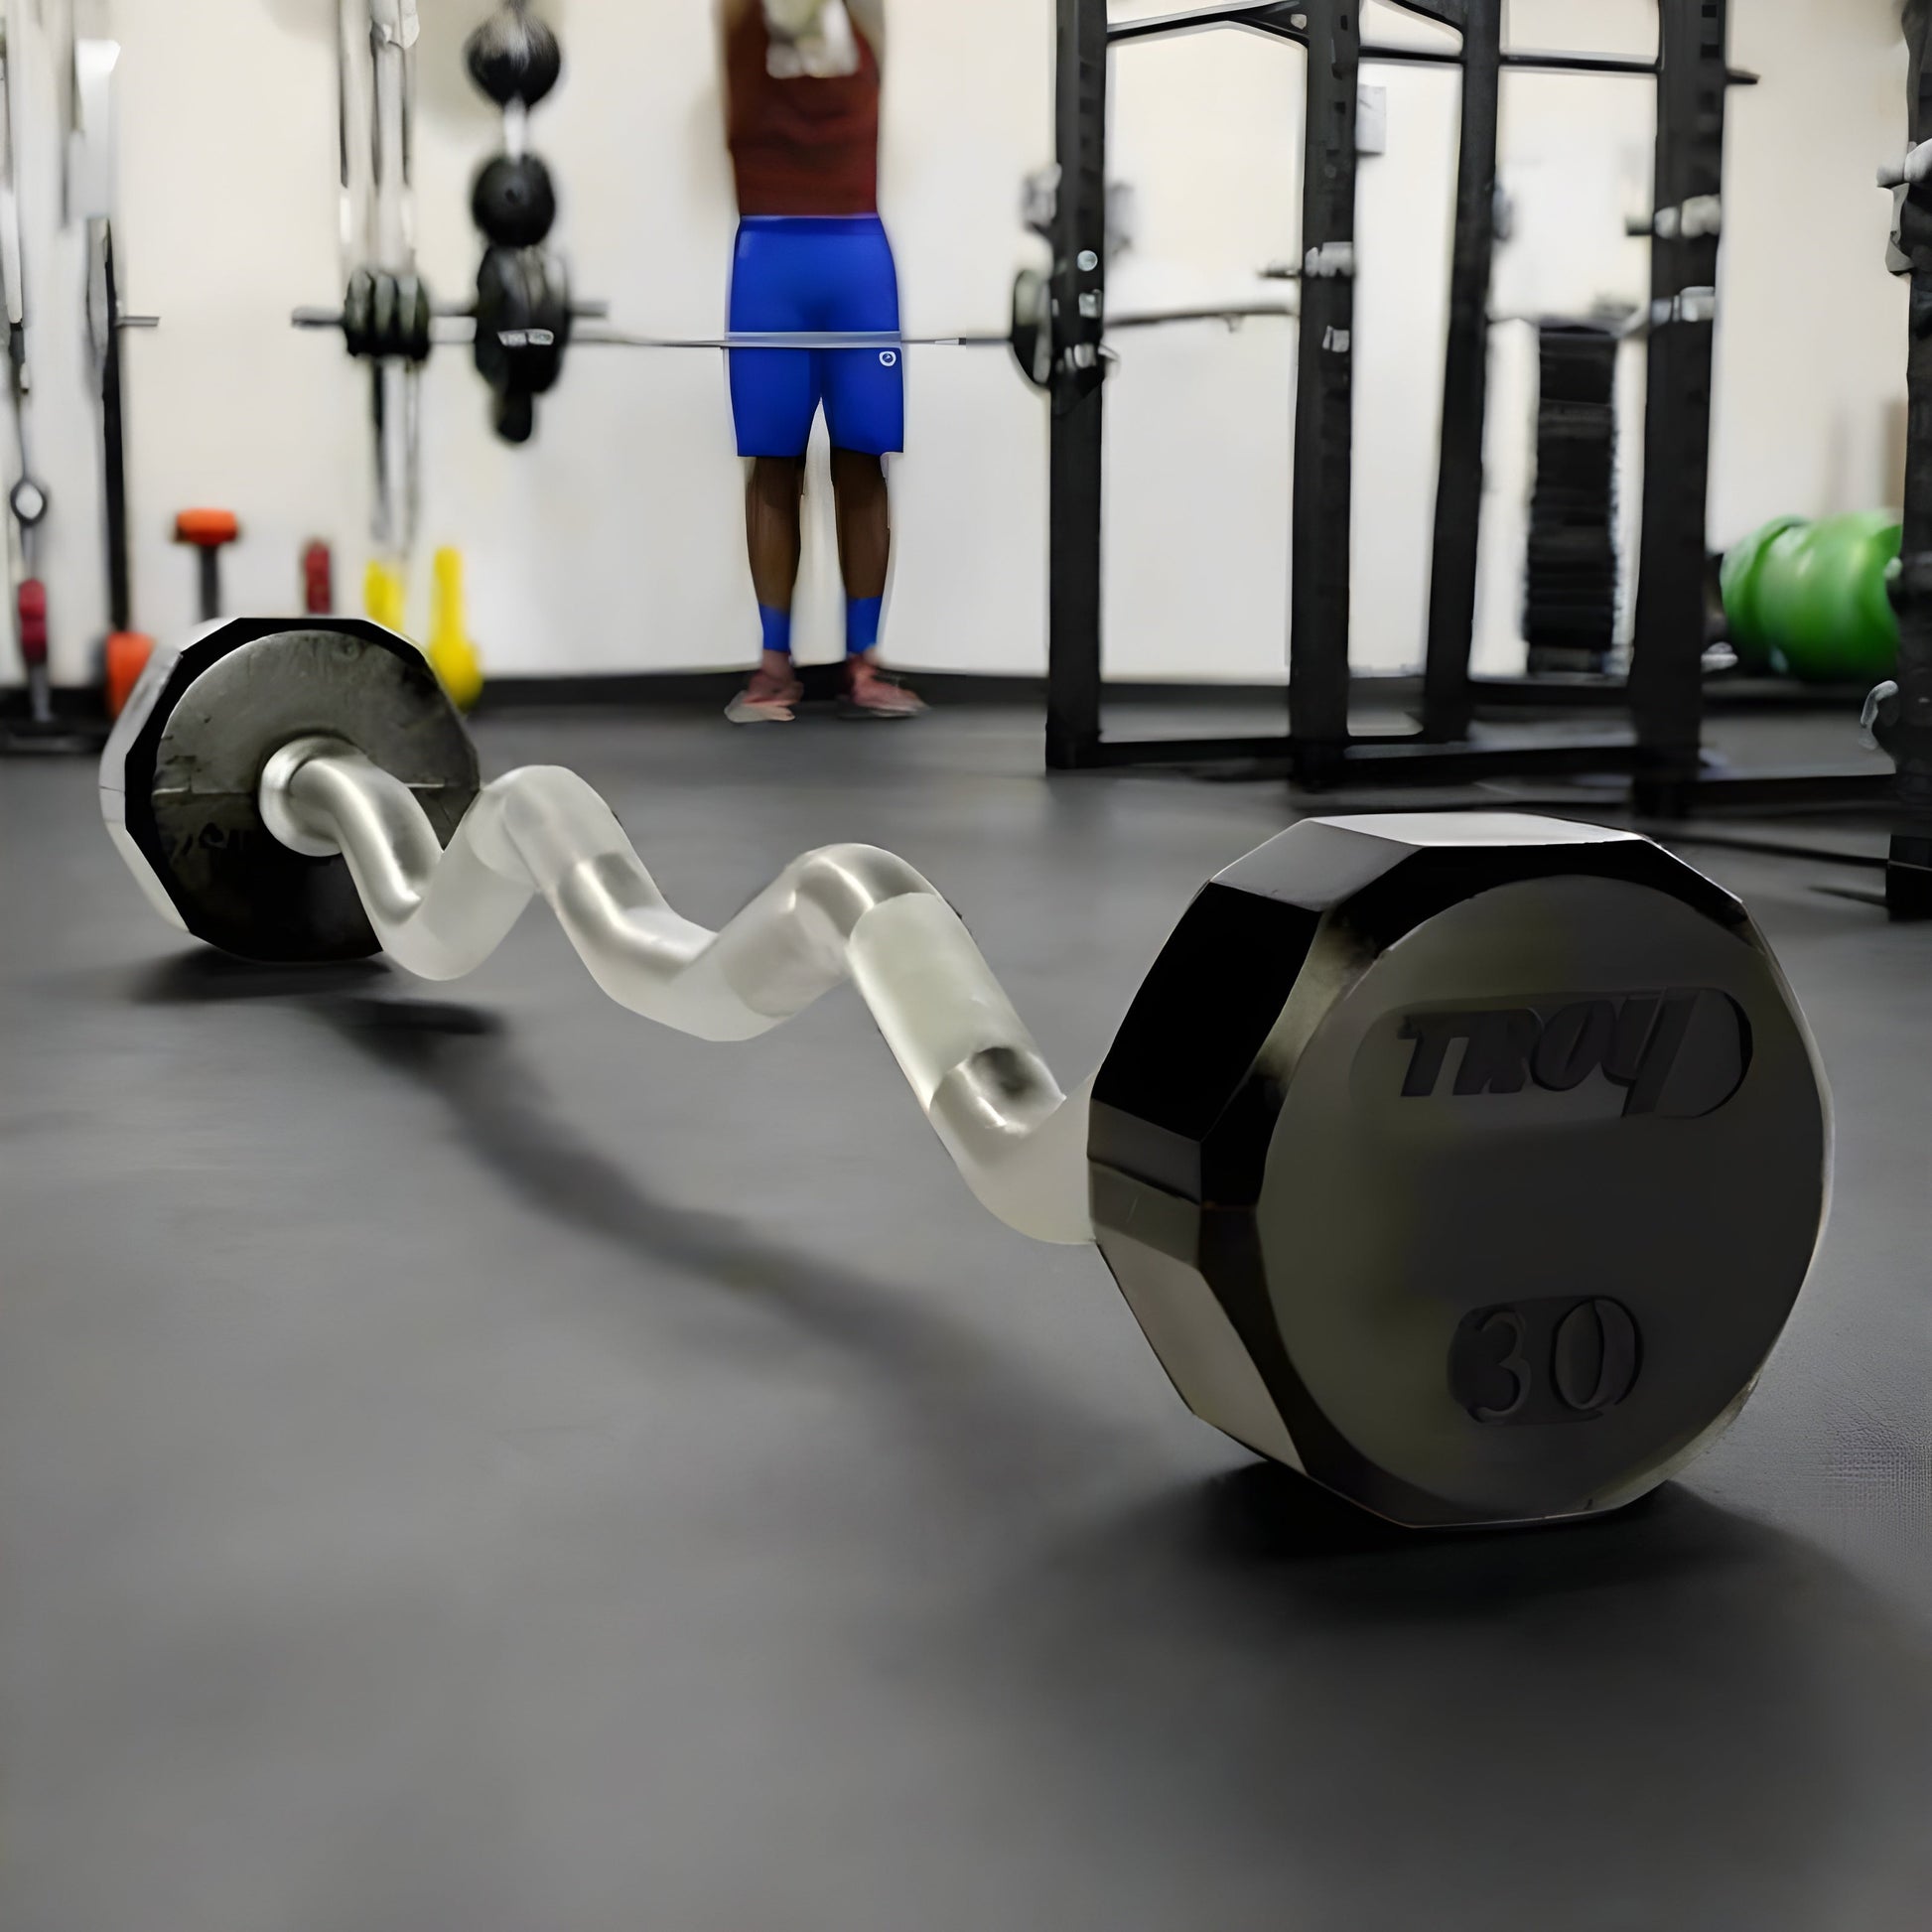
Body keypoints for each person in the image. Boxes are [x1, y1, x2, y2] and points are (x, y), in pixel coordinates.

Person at [719, 0, 924, 723]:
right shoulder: (739, 18)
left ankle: (863, 661)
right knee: (773, 462)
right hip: (770, 259)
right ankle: (774, 664)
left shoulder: (865, 17)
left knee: (864, 457)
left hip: (856, 257)